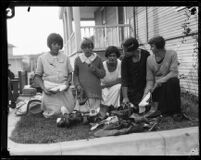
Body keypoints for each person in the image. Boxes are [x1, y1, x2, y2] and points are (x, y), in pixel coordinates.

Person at [34, 33, 75, 118]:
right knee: (55, 113)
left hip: (63, 88)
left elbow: (70, 73)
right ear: (50, 45)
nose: (57, 46)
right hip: (50, 89)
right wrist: (44, 89)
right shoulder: (42, 58)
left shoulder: (66, 57)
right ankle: (49, 106)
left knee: (70, 109)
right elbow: (37, 76)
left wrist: (67, 83)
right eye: (54, 44)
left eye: (59, 44)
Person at [143, 36, 181, 115]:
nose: (151, 49)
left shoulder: (172, 54)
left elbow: (174, 72)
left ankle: (175, 111)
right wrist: (147, 92)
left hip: (167, 84)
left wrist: (160, 81)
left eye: (152, 46)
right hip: (156, 88)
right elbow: (150, 79)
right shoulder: (149, 59)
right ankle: (162, 110)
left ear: (159, 46)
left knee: (174, 81)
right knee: (148, 98)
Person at [73, 38, 106, 114]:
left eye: (89, 47)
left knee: (94, 112)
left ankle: (92, 115)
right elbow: (75, 74)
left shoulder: (97, 59)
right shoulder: (78, 60)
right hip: (83, 90)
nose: (87, 50)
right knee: (83, 111)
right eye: (85, 48)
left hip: (95, 90)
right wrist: (77, 85)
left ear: (92, 48)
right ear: (82, 48)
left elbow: (103, 74)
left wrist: (95, 70)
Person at [121, 37, 150, 111]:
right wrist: (125, 97)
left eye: (125, 51)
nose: (123, 53)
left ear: (133, 50)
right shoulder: (125, 60)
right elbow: (124, 79)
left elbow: (150, 74)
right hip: (131, 90)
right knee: (132, 109)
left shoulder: (146, 55)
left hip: (145, 87)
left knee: (144, 107)